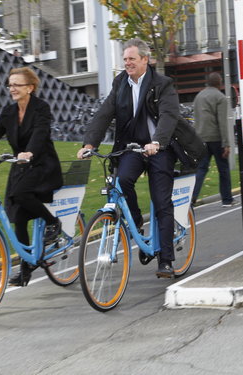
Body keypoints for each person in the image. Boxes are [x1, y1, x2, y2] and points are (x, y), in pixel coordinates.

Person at [77, 38, 179, 278]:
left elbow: (168, 115)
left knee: (162, 202)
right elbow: (104, 114)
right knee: (121, 183)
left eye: (132, 59)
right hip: (131, 148)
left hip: (158, 148)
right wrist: (89, 143)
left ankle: (165, 259)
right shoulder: (121, 83)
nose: (127, 63)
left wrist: (157, 142)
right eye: (125, 59)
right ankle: (136, 222)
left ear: (145, 59)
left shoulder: (162, 83)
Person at [0, 67, 63, 286]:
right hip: (21, 167)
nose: (12, 89)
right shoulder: (8, 111)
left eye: (17, 84)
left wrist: (30, 152)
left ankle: (53, 223)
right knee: (19, 217)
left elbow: (40, 133)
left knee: (21, 194)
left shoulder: (41, 108)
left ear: (30, 87)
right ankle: (26, 271)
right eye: (10, 85)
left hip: (42, 164)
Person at [192, 72, 235, 207]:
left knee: (201, 169)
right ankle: (227, 200)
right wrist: (226, 143)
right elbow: (222, 122)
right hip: (216, 138)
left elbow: (196, 119)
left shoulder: (199, 96)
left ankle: (190, 199)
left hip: (200, 138)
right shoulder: (220, 97)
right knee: (223, 169)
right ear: (219, 83)